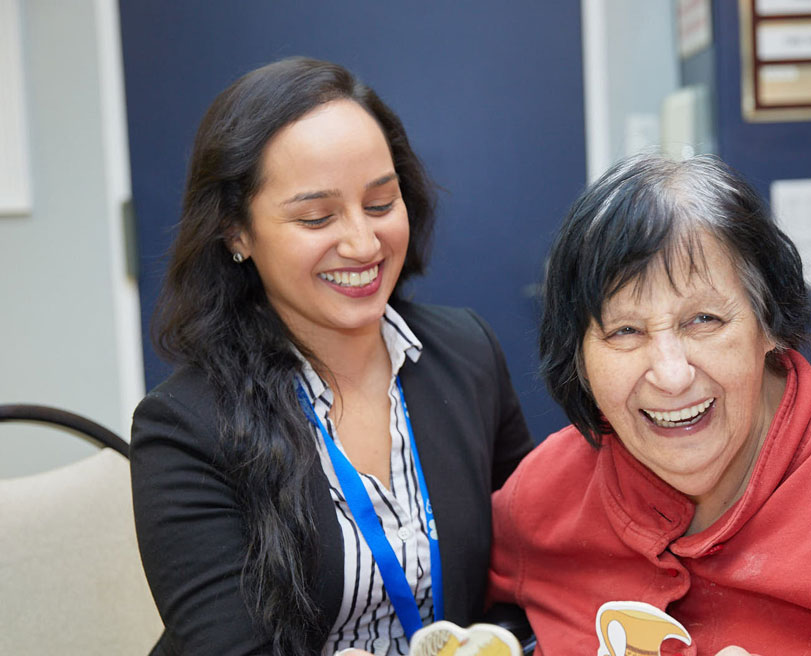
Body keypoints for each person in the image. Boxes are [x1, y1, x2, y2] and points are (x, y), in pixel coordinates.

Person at [488, 153, 811, 656]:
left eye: (704, 320)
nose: (671, 375)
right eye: (625, 331)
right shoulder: (543, 496)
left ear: (769, 325)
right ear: (577, 358)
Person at [130, 57, 534, 656]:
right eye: (317, 216)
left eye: (380, 204)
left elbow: (530, 568)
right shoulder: (184, 428)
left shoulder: (467, 353)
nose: (363, 243)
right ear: (237, 233)